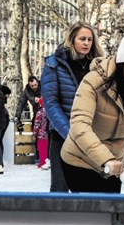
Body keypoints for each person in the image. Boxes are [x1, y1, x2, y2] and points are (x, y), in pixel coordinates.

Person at [60, 22, 124, 193]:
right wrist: (106, 160)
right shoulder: (94, 81)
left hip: (114, 164)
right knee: (92, 214)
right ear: (123, 62)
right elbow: (79, 126)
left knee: (110, 212)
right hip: (79, 160)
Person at [41, 21, 104, 192]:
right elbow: (51, 103)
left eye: (90, 39)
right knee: (60, 189)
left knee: (88, 190)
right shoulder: (54, 64)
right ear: (72, 40)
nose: (86, 43)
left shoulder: (99, 66)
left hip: (91, 136)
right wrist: (71, 133)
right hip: (63, 136)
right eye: (82, 39)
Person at [32, 98, 50, 170]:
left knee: (41, 148)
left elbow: (37, 124)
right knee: (47, 148)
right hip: (49, 133)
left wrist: (34, 134)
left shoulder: (40, 112)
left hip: (41, 134)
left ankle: (42, 162)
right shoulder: (49, 111)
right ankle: (47, 162)